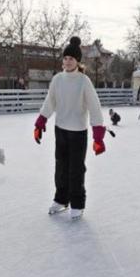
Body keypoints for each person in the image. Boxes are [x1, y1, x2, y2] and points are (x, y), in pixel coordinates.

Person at [34, 36, 105, 220]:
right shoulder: (57, 80)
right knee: (61, 167)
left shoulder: (84, 81)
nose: (67, 61)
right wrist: (41, 121)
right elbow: (50, 102)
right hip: (61, 130)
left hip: (78, 132)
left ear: (77, 61)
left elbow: (94, 107)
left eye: (71, 59)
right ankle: (61, 200)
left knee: (76, 169)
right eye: (65, 58)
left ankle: (77, 204)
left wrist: (98, 135)